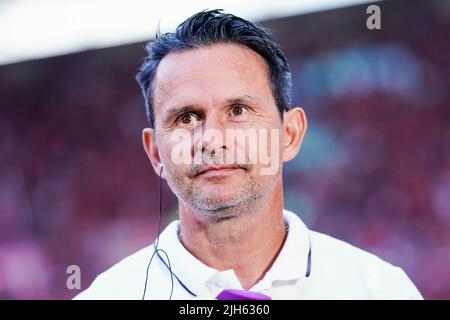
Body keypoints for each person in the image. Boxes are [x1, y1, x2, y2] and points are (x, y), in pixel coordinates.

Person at [74, 9, 422, 300]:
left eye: (238, 111)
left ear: (290, 134)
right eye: (186, 117)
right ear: (155, 153)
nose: (211, 139)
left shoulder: (381, 290)